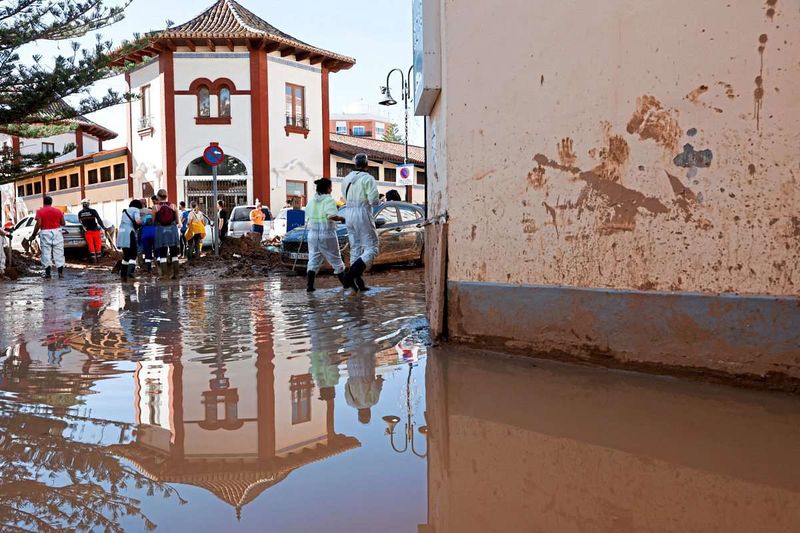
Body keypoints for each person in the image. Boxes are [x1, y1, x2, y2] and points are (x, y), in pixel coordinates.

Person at [341, 153, 380, 292]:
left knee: (356, 248)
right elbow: (373, 201)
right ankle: (350, 276)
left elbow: (344, 198)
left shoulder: (346, 179)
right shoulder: (368, 179)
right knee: (372, 248)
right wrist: (378, 200)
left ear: (355, 164)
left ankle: (357, 285)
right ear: (367, 164)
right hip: (362, 213)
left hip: (348, 214)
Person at [305, 178, 349, 292]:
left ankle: (310, 287)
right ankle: (347, 286)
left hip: (313, 235)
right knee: (336, 261)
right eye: (331, 187)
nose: (332, 189)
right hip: (327, 234)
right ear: (328, 188)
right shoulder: (329, 200)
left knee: (313, 260)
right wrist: (342, 218)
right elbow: (331, 216)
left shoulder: (311, 201)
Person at [28, 196, 66, 279]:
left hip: (45, 233)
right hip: (57, 232)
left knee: (46, 253)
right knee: (59, 253)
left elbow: (38, 224)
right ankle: (60, 273)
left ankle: (48, 274)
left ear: (44, 202)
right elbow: (63, 223)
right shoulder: (58, 211)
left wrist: (33, 235)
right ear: (51, 202)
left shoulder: (40, 211)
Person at [152, 189, 180, 280]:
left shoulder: (155, 207)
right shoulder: (173, 206)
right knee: (174, 253)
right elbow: (177, 221)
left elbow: (153, 222)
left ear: (158, 197)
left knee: (163, 253)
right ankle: (176, 274)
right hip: (172, 230)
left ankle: (164, 275)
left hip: (161, 231)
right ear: (166, 196)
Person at [117, 200, 142, 281]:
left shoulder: (125, 211)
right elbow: (138, 221)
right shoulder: (136, 210)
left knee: (126, 254)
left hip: (121, 233)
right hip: (129, 233)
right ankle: (130, 272)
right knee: (133, 253)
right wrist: (143, 222)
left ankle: (123, 274)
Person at [77, 199, 108, 264]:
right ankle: (99, 262)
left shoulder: (80, 213)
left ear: (82, 205)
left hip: (87, 232)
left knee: (91, 247)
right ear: (88, 204)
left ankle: (94, 262)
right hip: (95, 231)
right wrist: (104, 227)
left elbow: (81, 223)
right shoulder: (93, 211)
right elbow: (99, 220)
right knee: (98, 246)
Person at [138, 196, 158, 273]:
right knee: (156, 251)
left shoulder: (137, 211)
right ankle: (157, 267)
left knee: (146, 252)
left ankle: (147, 268)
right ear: (145, 203)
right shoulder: (150, 211)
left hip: (144, 233)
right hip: (154, 233)